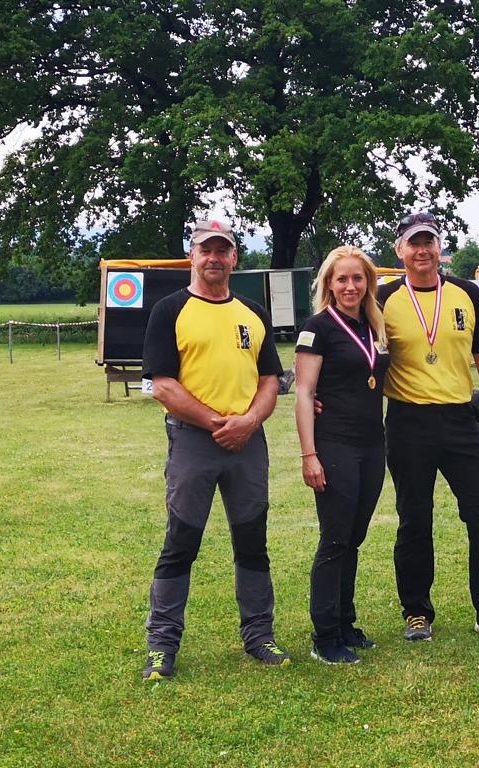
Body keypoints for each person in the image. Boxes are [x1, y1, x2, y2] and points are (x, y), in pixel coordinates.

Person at [140, 218, 289, 680]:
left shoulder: (251, 312)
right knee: (181, 541)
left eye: (223, 250)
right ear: (193, 255)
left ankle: (258, 635)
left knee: (252, 541)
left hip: (248, 442)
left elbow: (270, 380)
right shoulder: (170, 310)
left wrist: (248, 421)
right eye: (206, 250)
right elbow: (162, 385)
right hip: (193, 441)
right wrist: (215, 423)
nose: (214, 258)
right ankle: (162, 646)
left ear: (234, 258)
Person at [378, 211, 479, 641]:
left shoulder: (465, 293)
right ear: (400, 250)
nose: (422, 249)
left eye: (429, 241)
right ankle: (417, 612)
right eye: (414, 242)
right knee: (414, 519)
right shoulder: (383, 298)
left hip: (461, 418)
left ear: (439, 247)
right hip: (408, 420)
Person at [294, 246, 390, 664]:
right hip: (334, 444)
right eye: (341, 279)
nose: (350, 286)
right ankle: (325, 635)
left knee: (354, 537)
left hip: (372, 445)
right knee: (334, 539)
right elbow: (303, 393)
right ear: (329, 285)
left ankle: (346, 622)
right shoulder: (318, 327)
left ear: (368, 282)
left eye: (357, 278)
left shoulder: (374, 326)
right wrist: (309, 454)